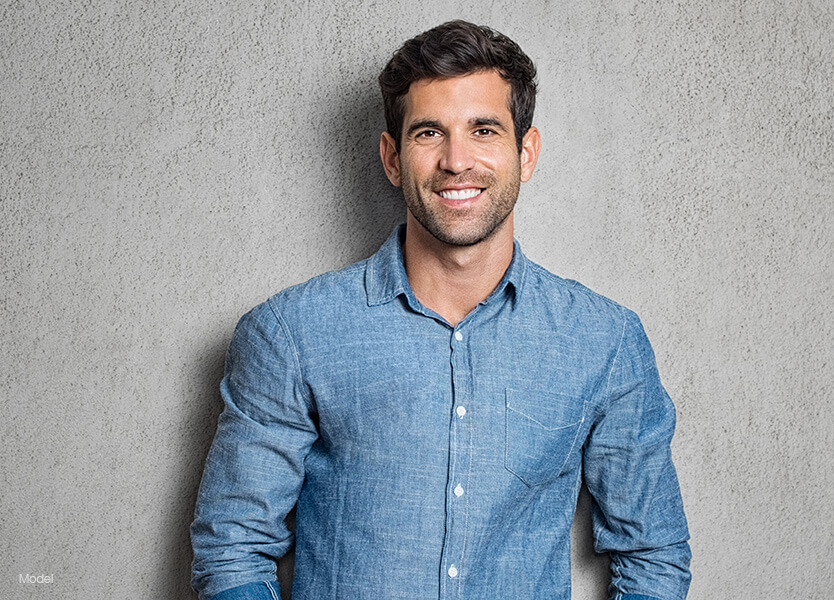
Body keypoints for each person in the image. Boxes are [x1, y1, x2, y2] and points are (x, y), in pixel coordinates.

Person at [191, 20, 691, 600]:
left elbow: (652, 552)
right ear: (392, 157)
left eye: (484, 130)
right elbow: (232, 547)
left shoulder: (604, 342)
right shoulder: (291, 334)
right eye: (429, 132)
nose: (457, 161)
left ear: (525, 153)